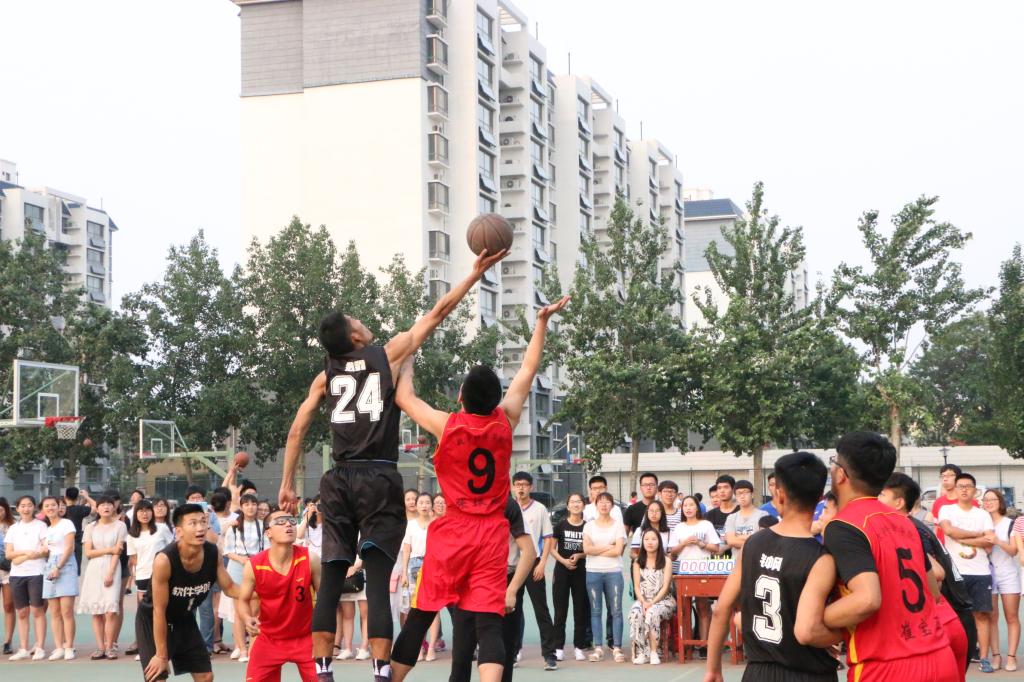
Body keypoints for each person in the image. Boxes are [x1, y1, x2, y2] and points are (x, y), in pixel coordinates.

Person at [279, 248, 507, 682]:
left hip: (338, 478)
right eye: (357, 320)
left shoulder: (325, 376)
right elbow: (438, 313)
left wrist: (288, 482)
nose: (362, 321)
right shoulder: (385, 355)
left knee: (331, 577)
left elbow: (296, 431)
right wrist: (473, 273)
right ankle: (381, 671)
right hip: (379, 475)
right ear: (356, 336)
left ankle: (323, 670)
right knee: (379, 575)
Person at [390, 295, 567, 681]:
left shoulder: (447, 425)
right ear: (496, 399)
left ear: (460, 397)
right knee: (489, 624)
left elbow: (404, 397)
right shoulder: (506, 420)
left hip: (452, 531)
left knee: (420, 616)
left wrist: (408, 355)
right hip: (490, 533)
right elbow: (529, 368)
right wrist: (541, 322)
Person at [814, 432, 955, 682]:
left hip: (886, 666)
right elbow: (933, 590)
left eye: (833, 462)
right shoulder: (904, 521)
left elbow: (867, 599)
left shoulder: (844, 525)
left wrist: (815, 617)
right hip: (940, 658)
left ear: (841, 474)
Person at [705, 452, 840, 682]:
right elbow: (810, 630)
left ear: (779, 493)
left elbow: (721, 610)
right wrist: (839, 635)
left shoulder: (752, 544)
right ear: (819, 497)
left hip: (758, 672)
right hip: (809, 673)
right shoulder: (821, 558)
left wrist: (713, 669)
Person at [880, 473, 974, 680]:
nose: (876, 500)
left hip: (948, 617)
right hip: (954, 617)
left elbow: (937, 574)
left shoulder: (908, 529)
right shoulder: (913, 525)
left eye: (881, 495)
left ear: (899, 503)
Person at [137, 502, 242, 682]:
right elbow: (159, 611)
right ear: (179, 531)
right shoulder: (164, 560)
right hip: (154, 620)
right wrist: (161, 655)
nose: (200, 528)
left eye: (203, 522)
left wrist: (266, 593)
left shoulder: (212, 553)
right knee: (157, 678)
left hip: (184, 619)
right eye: (193, 523)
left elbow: (231, 588)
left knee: (206, 677)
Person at [447, 497, 537, 682]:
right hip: (467, 585)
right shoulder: (462, 501)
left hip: (504, 583)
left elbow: (529, 552)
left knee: (504, 653)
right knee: (461, 655)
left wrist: (511, 590)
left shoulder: (507, 504)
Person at [237, 508, 322, 682]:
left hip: (306, 638)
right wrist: (247, 618)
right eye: (280, 522)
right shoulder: (254, 565)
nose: (288, 525)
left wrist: (321, 636)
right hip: (269, 639)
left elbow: (325, 600)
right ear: (268, 532)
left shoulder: (310, 559)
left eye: (292, 521)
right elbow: (243, 600)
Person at [938, 472, 996, 672]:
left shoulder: (983, 514)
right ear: (955, 489)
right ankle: (953, 655)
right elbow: (948, 531)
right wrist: (978, 535)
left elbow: (989, 542)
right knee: (954, 616)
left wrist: (961, 537)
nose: (964, 489)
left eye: (968, 486)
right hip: (955, 572)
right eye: (960, 486)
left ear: (975, 491)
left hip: (980, 572)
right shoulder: (947, 510)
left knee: (982, 615)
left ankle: (984, 657)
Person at [508, 471, 558, 669]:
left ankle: (550, 655)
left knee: (541, 610)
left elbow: (548, 537)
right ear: (513, 487)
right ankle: (512, 654)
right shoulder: (508, 508)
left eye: (524, 484)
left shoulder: (539, 509)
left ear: (531, 487)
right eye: (517, 484)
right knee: (512, 610)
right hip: (512, 566)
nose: (521, 488)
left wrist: (542, 563)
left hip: (533, 564)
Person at [77, 494, 128, 660]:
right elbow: (88, 552)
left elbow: (118, 552)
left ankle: (110, 646)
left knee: (110, 610)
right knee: (96, 611)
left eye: (109, 504)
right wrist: (109, 550)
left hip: (112, 567)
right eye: (102, 505)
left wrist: (111, 572)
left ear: (114, 507)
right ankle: (100, 647)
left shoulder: (120, 526)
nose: (106, 507)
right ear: (97, 508)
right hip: (94, 568)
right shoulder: (90, 527)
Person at [127, 498, 175, 664]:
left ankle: (165, 649)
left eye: (147, 510)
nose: (145, 514)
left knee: (162, 612)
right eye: (141, 511)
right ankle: (147, 650)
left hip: (161, 575)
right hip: (142, 576)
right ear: (136, 514)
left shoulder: (162, 529)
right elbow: (133, 558)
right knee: (146, 614)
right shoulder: (132, 535)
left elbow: (172, 548)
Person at [669, 496, 722, 646]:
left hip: (702, 569)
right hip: (683, 571)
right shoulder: (679, 527)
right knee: (684, 608)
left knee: (702, 606)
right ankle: (686, 644)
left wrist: (701, 543)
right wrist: (684, 543)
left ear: (697, 508)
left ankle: (704, 643)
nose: (688, 508)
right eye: (685, 505)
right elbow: (673, 551)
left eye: (691, 505)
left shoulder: (706, 525)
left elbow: (716, 548)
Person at [583, 492, 626, 663]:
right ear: (595, 505)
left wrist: (597, 549)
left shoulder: (618, 525)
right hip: (593, 571)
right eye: (600, 502)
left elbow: (618, 551)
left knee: (616, 611)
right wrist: (608, 546)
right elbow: (587, 550)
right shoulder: (589, 526)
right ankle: (598, 648)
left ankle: (617, 648)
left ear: (612, 505)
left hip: (613, 571)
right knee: (595, 611)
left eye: (607, 502)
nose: (604, 504)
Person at [222, 493, 265, 662]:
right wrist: (241, 559)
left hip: (257, 568)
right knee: (239, 611)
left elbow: (267, 548)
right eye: (246, 504)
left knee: (255, 610)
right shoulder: (234, 526)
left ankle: (254, 649)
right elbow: (228, 550)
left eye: (253, 504)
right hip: (237, 567)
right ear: (241, 506)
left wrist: (255, 561)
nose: (250, 507)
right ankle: (242, 649)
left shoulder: (263, 525)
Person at [5, 495, 48, 660]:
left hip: (37, 573)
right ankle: (23, 648)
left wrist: (30, 555)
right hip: (17, 575)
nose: (26, 508)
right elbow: (9, 554)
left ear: (34, 507)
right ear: (17, 508)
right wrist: (26, 553)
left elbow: (45, 550)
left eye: (29, 505)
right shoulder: (13, 529)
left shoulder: (41, 526)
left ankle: (40, 647)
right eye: (22, 505)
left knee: (37, 610)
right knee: (22, 612)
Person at [399, 492, 439, 661]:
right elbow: (406, 550)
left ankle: (431, 648)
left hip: (433, 564)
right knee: (416, 609)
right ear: (416, 505)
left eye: (427, 502)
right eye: (421, 502)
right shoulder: (410, 525)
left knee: (434, 608)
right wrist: (404, 573)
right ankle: (419, 648)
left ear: (431, 505)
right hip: (414, 566)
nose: (424, 505)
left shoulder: (436, 524)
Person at [982, 488, 1018, 671]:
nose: (988, 502)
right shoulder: (981, 522)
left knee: (1011, 616)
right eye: (986, 500)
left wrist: (997, 541)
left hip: (1008, 574)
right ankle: (996, 656)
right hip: (987, 574)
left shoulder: (1010, 523)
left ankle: (1011, 657)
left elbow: (1013, 551)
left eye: (992, 499)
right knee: (991, 617)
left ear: (1000, 502)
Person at [552, 492, 590, 661]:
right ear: (567, 506)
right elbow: (551, 548)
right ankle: (558, 647)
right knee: (560, 611)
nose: (576, 504)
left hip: (581, 572)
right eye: (572, 502)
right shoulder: (560, 525)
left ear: (583, 505)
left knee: (580, 611)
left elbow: (590, 549)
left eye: (579, 502)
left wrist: (580, 555)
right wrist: (563, 561)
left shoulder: (588, 527)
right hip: (562, 572)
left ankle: (579, 647)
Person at [628, 530, 675, 665]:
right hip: (643, 600)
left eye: (653, 539)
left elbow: (665, 587)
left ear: (659, 542)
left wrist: (652, 603)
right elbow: (637, 587)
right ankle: (642, 652)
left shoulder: (666, 561)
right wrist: (643, 602)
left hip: (664, 600)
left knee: (652, 612)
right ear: (642, 542)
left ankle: (654, 652)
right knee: (635, 612)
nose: (650, 542)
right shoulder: (637, 561)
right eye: (646, 539)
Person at [41, 496, 78, 660]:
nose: (50, 508)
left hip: (66, 564)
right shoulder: (46, 529)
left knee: (66, 611)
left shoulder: (67, 523)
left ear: (59, 507)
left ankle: (69, 646)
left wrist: (58, 567)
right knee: (54, 611)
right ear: (43, 509)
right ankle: (59, 647)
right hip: (50, 565)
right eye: (46, 506)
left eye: (53, 505)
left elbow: (69, 548)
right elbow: (46, 551)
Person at [724, 480, 769, 558]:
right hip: (737, 561)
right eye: (739, 493)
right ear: (735, 496)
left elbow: (762, 540)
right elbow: (731, 541)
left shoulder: (763, 515)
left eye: (745, 492)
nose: (742, 496)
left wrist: (739, 537)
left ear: (752, 494)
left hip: (757, 560)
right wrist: (753, 538)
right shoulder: (731, 517)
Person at [63, 487, 95, 575]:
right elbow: (96, 507)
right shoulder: (79, 509)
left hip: (63, 542)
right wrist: (87, 496)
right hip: (76, 542)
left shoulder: (62, 510)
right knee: (75, 571)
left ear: (65, 497)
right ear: (77, 498)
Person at [930, 464, 966, 543]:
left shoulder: (968, 501)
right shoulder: (938, 502)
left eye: (949, 475)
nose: (945, 479)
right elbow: (936, 527)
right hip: (943, 546)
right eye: (942, 476)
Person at [705, 475, 738, 554]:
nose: (722, 491)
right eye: (719, 488)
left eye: (726, 487)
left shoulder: (741, 512)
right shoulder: (709, 514)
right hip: (714, 558)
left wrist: (725, 548)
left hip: (737, 557)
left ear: (733, 489)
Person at [0, 497, 15, 655]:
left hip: (8, 570)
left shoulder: (13, 526)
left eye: (1, 510)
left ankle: (8, 641)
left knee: (9, 605)